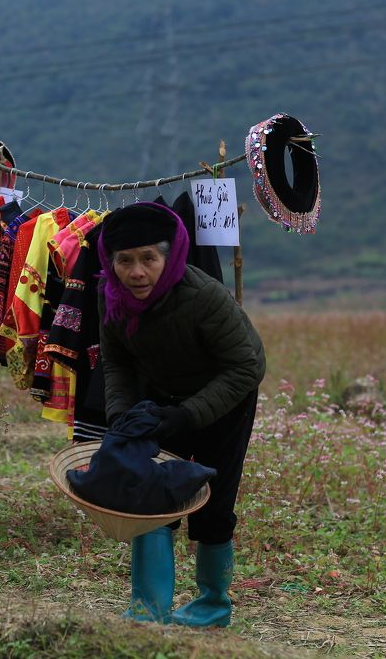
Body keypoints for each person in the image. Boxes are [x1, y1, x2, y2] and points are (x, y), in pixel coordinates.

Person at [96, 202, 266, 627]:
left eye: (149, 259)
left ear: (168, 257)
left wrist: (187, 415)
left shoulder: (203, 297)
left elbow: (246, 367)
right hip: (163, 398)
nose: (137, 273)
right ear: (110, 262)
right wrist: (120, 413)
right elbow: (116, 361)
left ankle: (213, 605)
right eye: (125, 261)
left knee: (213, 499)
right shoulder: (113, 298)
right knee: (149, 493)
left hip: (226, 399)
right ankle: (147, 607)